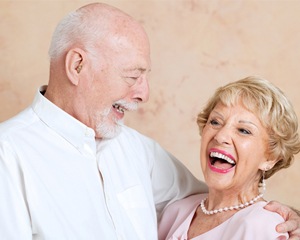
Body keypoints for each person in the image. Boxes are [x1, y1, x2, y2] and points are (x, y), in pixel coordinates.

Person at [0, 2, 299, 239]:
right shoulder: (8, 154)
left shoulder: (137, 150)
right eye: (132, 76)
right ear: (77, 65)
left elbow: (222, 201)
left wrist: (288, 219)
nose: (143, 94)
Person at [158, 76, 300, 240]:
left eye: (243, 130)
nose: (220, 136)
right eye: (215, 122)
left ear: (270, 158)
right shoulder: (175, 212)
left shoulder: (264, 225)